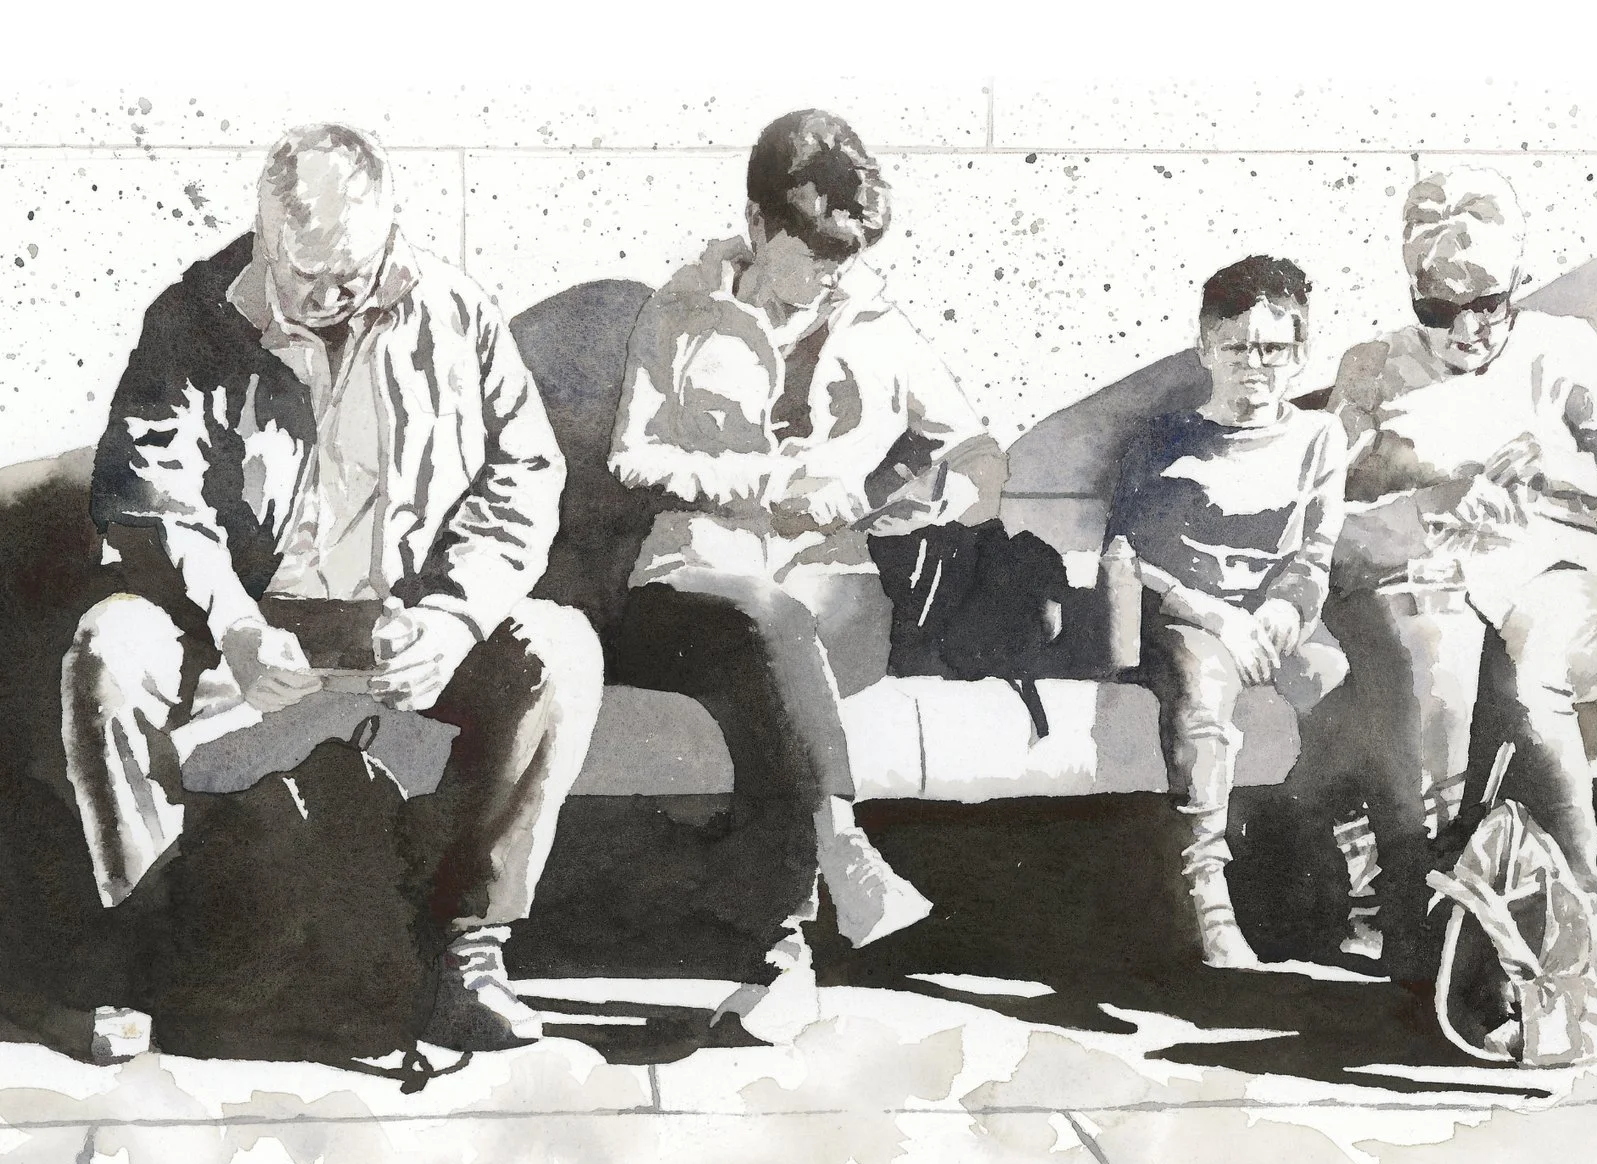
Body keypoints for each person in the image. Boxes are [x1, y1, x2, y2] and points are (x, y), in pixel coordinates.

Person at [67, 124, 600, 1051]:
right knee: (109, 650)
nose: (327, 297)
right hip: (232, 619)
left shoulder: (459, 313)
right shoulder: (191, 317)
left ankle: (471, 950)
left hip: (407, 621)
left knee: (559, 648)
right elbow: (153, 496)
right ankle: (145, 957)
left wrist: (454, 616)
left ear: (389, 232)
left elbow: (523, 476)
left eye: (352, 273)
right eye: (302, 273)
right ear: (265, 233)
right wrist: (234, 623)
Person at [607, 108, 1003, 1040]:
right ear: (757, 224)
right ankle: (840, 849)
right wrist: (771, 484)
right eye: (816, 253)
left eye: (848, 255)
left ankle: (782, 953)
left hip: (835, 593)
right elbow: (631, 457)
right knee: (768, 632)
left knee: (783, 644)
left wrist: (934, 502)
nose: (835, 274)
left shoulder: (879, 326)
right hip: (697, 582)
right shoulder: (680, 311)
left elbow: (978, 453)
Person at [1316, 168, 1597, 985]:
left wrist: (1556, 466)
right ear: (1411, 291)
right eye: (1438, 310)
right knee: (1433, 666)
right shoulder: (1371, 365)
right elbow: (1327, 489)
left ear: (1516, 284)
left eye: (1487, 305)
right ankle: (1425, 916)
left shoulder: (1568, 349)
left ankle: (1580, 929)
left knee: (1532, 680)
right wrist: (1427, 476)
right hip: (1421, 572)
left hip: (1551, 570)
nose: (1466, 329)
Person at [1105, 256, 1349, 969]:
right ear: (1206, 346)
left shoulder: (1319, 438)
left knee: (1349, 689)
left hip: (1275, 617)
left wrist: (1284, 612)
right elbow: (1124, 555)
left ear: (1299, 352)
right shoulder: (1160, 440)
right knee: (1205, 701)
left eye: (1273, 348)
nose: (1255, 365)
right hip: (1186, 617)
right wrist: (1216, 618)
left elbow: (1317, 551)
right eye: (1237, 347)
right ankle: (1207, 900)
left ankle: (1352, 883)